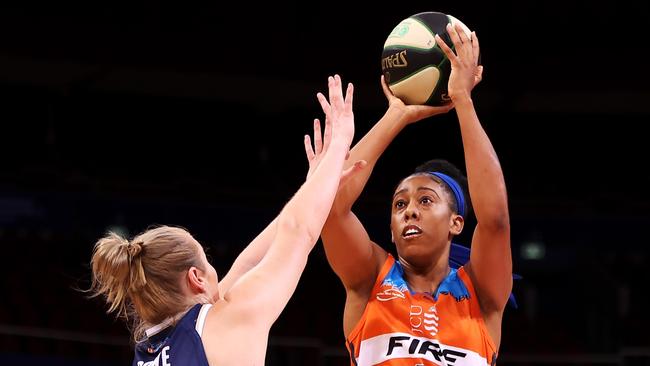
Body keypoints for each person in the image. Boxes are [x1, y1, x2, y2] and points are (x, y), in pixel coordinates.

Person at [88, 74, 365, 366]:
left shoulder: (148, 349)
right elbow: (297, 231)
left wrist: (315, 186)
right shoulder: (229, 320)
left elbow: (247, 263)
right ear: (195, 278)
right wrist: (340, 144)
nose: (220, 274)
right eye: (207, 261)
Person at [320, 23, 512, 365]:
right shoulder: (370, 280)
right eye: (399, 204)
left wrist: (463, 101)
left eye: (425, 200)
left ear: (456, 223)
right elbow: (329, 208)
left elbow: (495, 219)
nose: (409, 211)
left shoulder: (479, 294)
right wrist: (396, 115)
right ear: (391, 231)